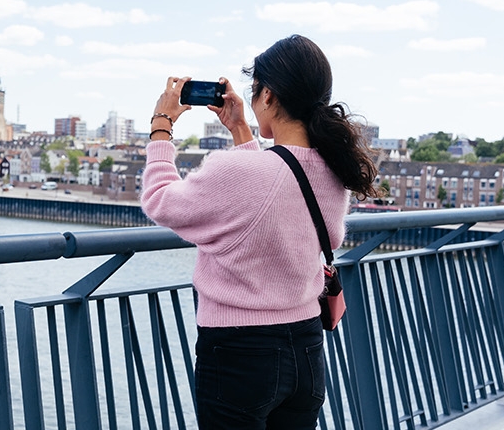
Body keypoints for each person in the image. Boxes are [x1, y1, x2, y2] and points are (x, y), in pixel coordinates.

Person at [139, 34, 380, 429]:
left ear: (267, 95)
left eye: (255, 93)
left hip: (240, 354)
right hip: (306, 350)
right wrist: (240, 132)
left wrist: (161, 125)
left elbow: (160, 199)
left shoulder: (246, 174)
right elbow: (268, 194)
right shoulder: (332, 170)